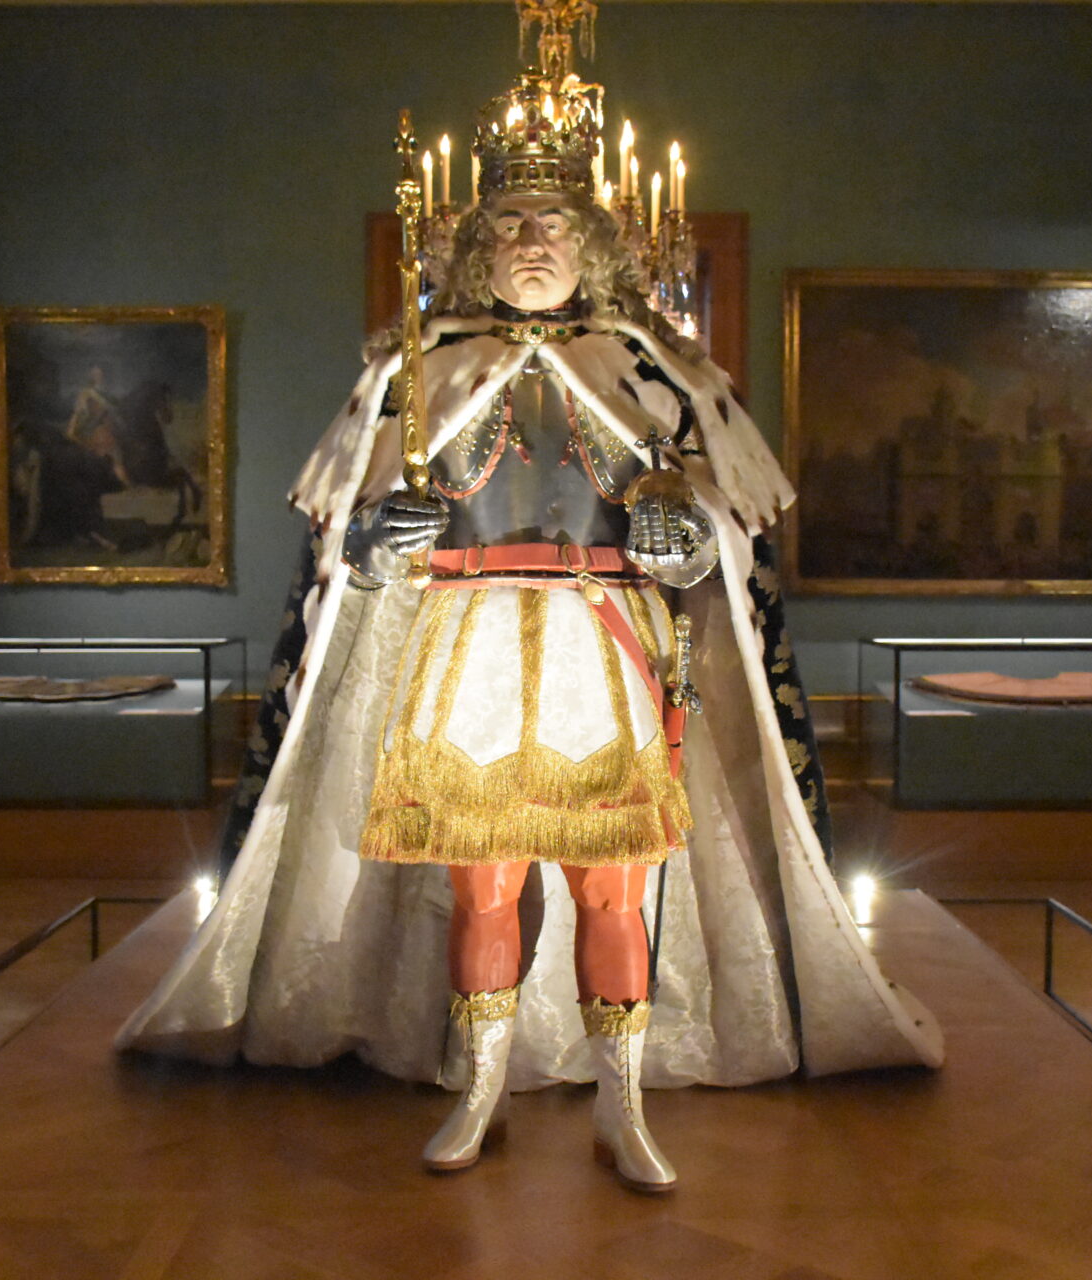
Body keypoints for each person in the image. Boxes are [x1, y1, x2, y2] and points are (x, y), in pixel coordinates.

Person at [116, 8, 942, 1196]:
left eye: (553, 222)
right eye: (508, 221)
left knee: (614, 884)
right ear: (474, 242)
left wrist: (682, 535)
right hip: (466, 648)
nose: (532, 241)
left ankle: (623, 1101)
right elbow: (345, 542)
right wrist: (378, 536)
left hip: (608, 648)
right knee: (483, 879)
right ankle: (481, 1085)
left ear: (592, 241)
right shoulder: (418, 367)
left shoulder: (655, 370)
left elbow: (722, 539)